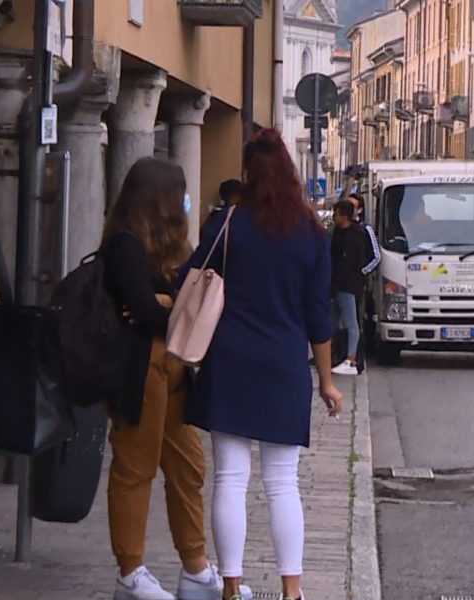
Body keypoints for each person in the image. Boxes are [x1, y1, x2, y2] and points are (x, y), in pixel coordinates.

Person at [180, 128, 342, 600]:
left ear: (250, 173)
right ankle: (292, 590)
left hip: (229, 362)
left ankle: (231, 586)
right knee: (282, 482)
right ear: (290, 171)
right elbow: (318, 315)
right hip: (283, 366)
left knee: (230, 477)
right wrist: (327, 382)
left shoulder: (228, 222)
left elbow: (193, 275)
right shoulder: (312, 231)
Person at [101, 158, 240, 600]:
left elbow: (169, 306)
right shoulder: (124, 243)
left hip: (174, 366)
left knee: (188, 467)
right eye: (179, 193)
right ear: (159, 199)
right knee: (135, 467)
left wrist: (167, 304)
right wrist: (170, 306)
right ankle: (130, 572)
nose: (186, 202)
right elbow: (147, 311)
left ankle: (196, 569)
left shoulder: (173, 248)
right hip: (138, 368)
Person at [330, 199, 368, 376]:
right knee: (334, 321)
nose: (333, 217)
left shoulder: (356, 234)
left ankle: (351, 359)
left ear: (344, 215)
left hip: (348, 285)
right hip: (337, 284)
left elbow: (353, 262)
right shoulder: (339, 232)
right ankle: (336, 355)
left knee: (351, 321)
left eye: (336, 214)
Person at [347, 193, 381, 276]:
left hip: (356, 283)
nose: (348, 209)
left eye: (352, 206)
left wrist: (362, 272)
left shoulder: (366, 229)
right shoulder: (340, 229)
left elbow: (377, 257)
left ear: (359, 210)